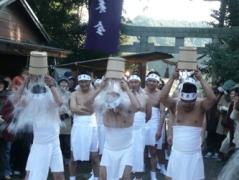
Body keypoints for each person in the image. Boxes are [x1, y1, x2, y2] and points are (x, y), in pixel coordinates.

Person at [159, 67, 216, 180]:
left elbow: (213, 99)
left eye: (191, 102)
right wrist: (172, 78)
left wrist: (200, 78)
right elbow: (162, 97)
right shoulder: (175, 104)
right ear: (181, 98)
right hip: (177, 152)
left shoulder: (200, 106)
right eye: (185, 102)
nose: (187, 105)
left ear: (195, 99)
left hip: (194, 153)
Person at [10, 74, 65, 180]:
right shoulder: (30, 99)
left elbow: (60, 103)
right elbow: (15, 100)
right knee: (32, 175)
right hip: (40, 145)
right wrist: (25, 82)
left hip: (54, 142)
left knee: (59, 175)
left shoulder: (51, 97)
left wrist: (51, 85)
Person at [94, 78, 141, 180]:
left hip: (126, 149)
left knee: (124, 177)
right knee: (103, 177)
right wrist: (100, 88)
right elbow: (88, 104)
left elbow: (137, 107)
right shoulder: (104, 105)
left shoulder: (128, 105)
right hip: (109, 149)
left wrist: (127, 90)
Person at [69, 73, 100, 180]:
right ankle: (72, 178)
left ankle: (96, 178)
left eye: (86, 81)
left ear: (90, 81)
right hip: (78, 127)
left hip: (92, 127)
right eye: (81, 81)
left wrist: (80, 107)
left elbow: (92, 110)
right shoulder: (74, 94)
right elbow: (73, 108)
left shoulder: (95, 92)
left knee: (95, 157)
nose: (84, 84)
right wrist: (84, 109)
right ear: (78, 82)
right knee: (74, 157)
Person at [128, 74, 151, 180]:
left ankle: (138, 176)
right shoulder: (124, 95)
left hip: (139, 128)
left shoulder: (145, 96)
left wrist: (141, 122)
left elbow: (149, 114)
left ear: (139, 83)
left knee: (139, 151)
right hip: (127, 128)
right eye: (131, 82)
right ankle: (127, 174)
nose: (133, 84)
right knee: (127, 151)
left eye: (136, 82)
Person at [144, 71, 166, 179]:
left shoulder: (161, 94)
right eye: (150, 81)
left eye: (154, 81)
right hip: (142, 122)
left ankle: (153, 175)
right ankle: (139, 170)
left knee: (154, 150)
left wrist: (159, 129)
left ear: (158, 83)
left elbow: (162, 113)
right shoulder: (141, 92)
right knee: (141, 148)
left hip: (155, 122)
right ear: (146, 81)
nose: (152, 83)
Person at [0, 75, 13, 180]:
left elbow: (12, 112)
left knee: (5, 152)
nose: (0, 85)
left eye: (1, 84)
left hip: (5, 128)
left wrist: (4, 119)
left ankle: (6, 172)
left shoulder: (8, 97)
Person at [57, 77, 72, 165]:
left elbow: (73, 107)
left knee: (66, 142)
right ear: (59, 84)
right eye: (62, 82)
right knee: (58, 142)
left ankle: (67, 158)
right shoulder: (55, 94)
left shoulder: (70, 94)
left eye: (65, 82)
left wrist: (67, 114)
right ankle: (59, 159)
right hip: (56, 121)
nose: (63, 84)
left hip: (66, 122)